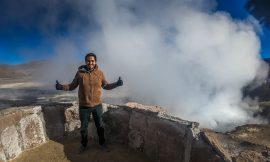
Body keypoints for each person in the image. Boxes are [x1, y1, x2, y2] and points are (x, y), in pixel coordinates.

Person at [55, 52, 123, 153]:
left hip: (97, 106)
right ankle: (84, 144)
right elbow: (72, 86)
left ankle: (102, 143)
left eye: (92, 61)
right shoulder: (80, 73)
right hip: (84, 106)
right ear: (85, 61)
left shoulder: (100, 73)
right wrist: (61, 87)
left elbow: (106, 86)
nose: (90, 62)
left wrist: (117, 84)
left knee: (100, 126)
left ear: (95, 62)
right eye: (88, 60)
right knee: (83, 128)